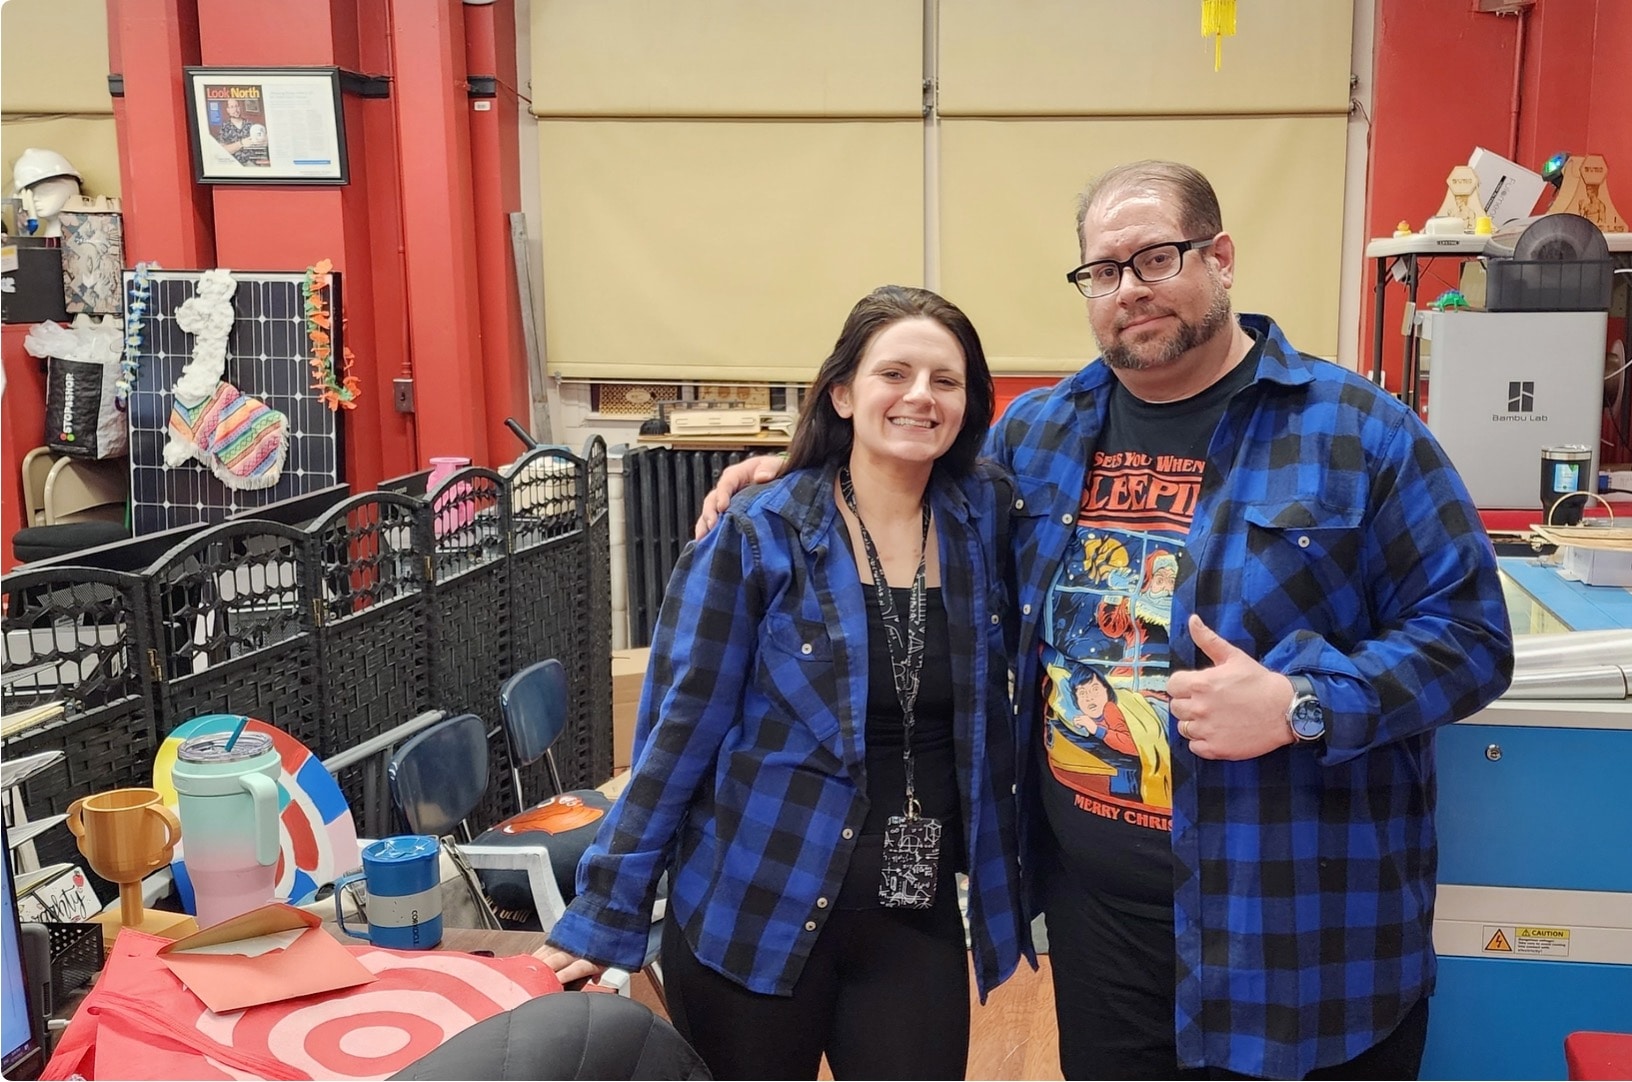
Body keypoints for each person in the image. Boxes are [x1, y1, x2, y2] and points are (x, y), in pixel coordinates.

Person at [698, 161, 1514, 1080]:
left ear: (1222, 258)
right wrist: (805, 470)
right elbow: (909, 485)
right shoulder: (1040, 432)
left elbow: (1473, 639)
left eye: (1157, 258)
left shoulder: (1361, 432)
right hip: (1099, 930)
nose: (1131, 290)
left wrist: (1300, 704)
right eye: (1103, 271)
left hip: (1294, 932)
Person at [535, 285, 1031, 1081]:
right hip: (753, 905)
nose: (918, 396)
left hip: (914, 915)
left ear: (969, 404)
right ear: (842, 392)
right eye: (893, 373)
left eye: (945, 380)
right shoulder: (761, 532)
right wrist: (605, 909)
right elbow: (678, 730)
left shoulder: (987, 520)